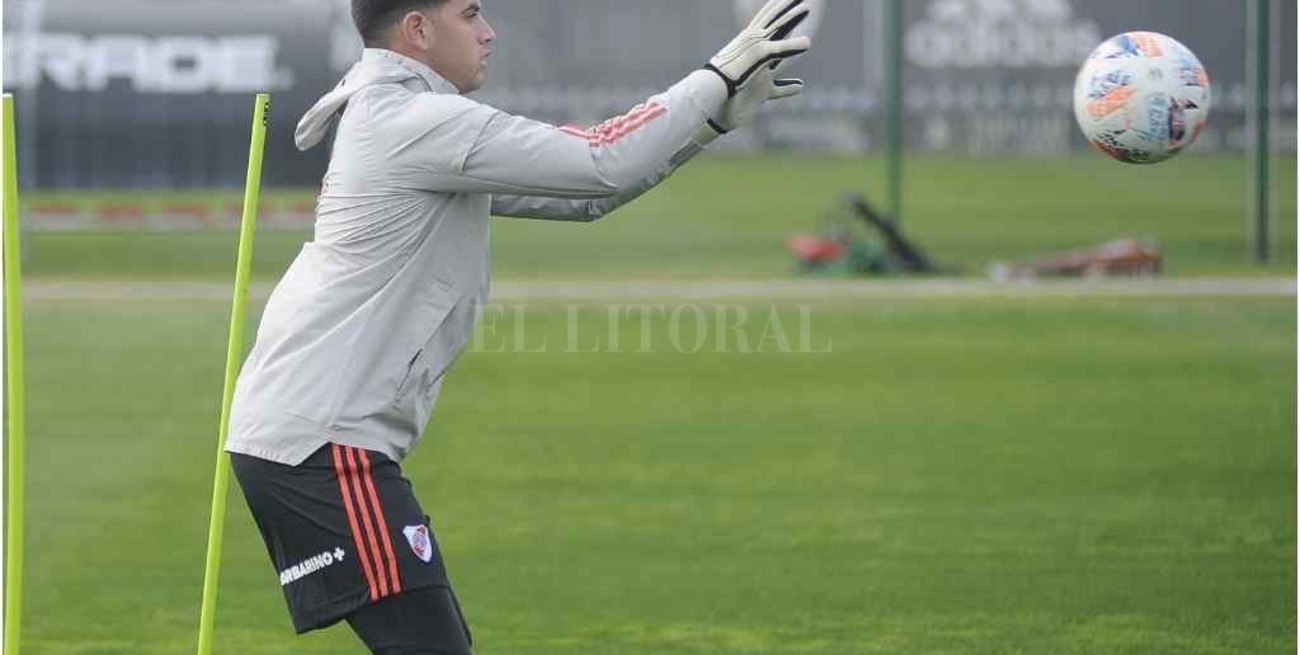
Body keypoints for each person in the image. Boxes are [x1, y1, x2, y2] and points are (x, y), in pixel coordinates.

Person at [224, 0, 813, 652]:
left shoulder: (406, 115)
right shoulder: (415, 121)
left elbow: (592, 194)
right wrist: (717, 75)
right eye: (470, 14)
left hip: (317, 438)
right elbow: (602, 157)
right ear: (417, 30)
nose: (488, 31)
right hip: (321, 446)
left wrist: (710, 120)